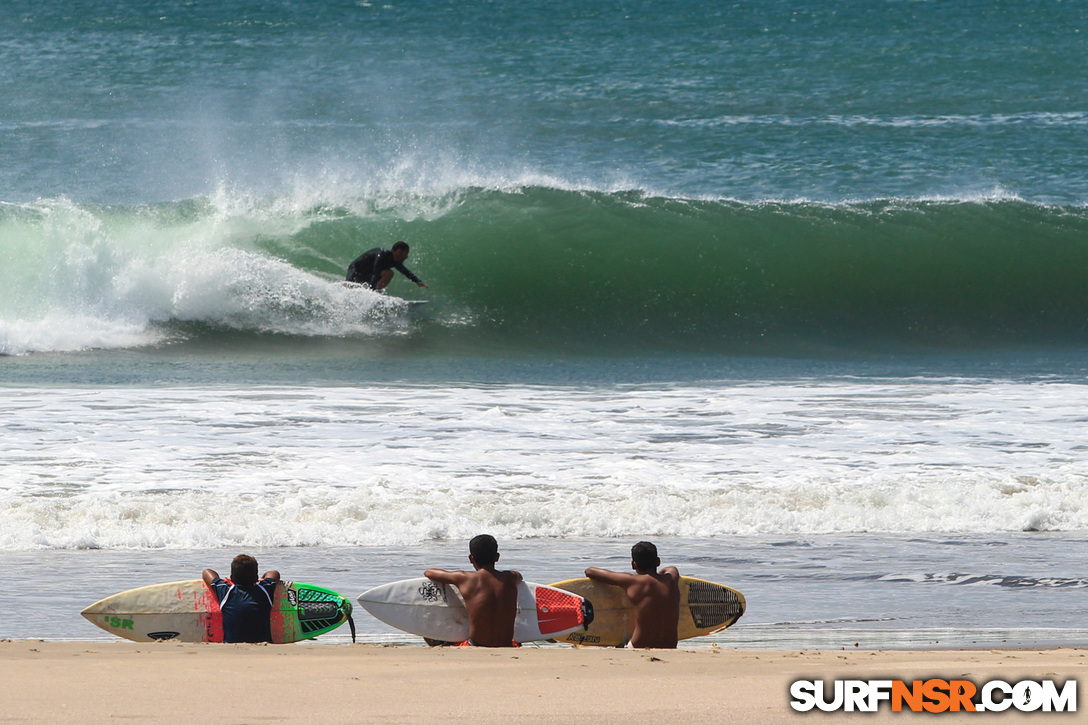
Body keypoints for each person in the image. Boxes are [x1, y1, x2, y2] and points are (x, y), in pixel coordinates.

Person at [424, 534, 522, 647]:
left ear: (471, 558)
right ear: (497, 557)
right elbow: (519, 576)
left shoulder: (464, 578)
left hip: (474, 645)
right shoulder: (511, 578)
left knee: (429, 634)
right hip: (507, 645)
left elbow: (429, 572)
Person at [585, 541, 680, 649]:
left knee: (606, 646)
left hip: (638, 646)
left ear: (633, 564)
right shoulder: (672, 578)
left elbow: (590, 571)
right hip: (670, 646)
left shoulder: (631, 581)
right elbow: (671, 568)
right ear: (658, 561)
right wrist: (659, 575)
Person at [202, 554, 281, 644]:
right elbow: (274, 573)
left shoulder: (225, 591)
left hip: (230, 645)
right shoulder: (265, 590)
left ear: (232, 578)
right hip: (263, 644)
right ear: (255, 577)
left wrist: (225, 581)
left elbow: (206, 572)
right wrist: (262, 579)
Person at [346, 241, 429, 292]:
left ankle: (377, 293)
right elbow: (376, 273)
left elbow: (405, 271)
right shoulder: (382, 255)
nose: (407, 256)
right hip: (356, 270)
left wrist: (418, 281)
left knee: (389, 273)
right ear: (399, 252)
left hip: (367, 273)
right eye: (406, 253)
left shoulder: (395, 261)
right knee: (348, 288)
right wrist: (371, 291)